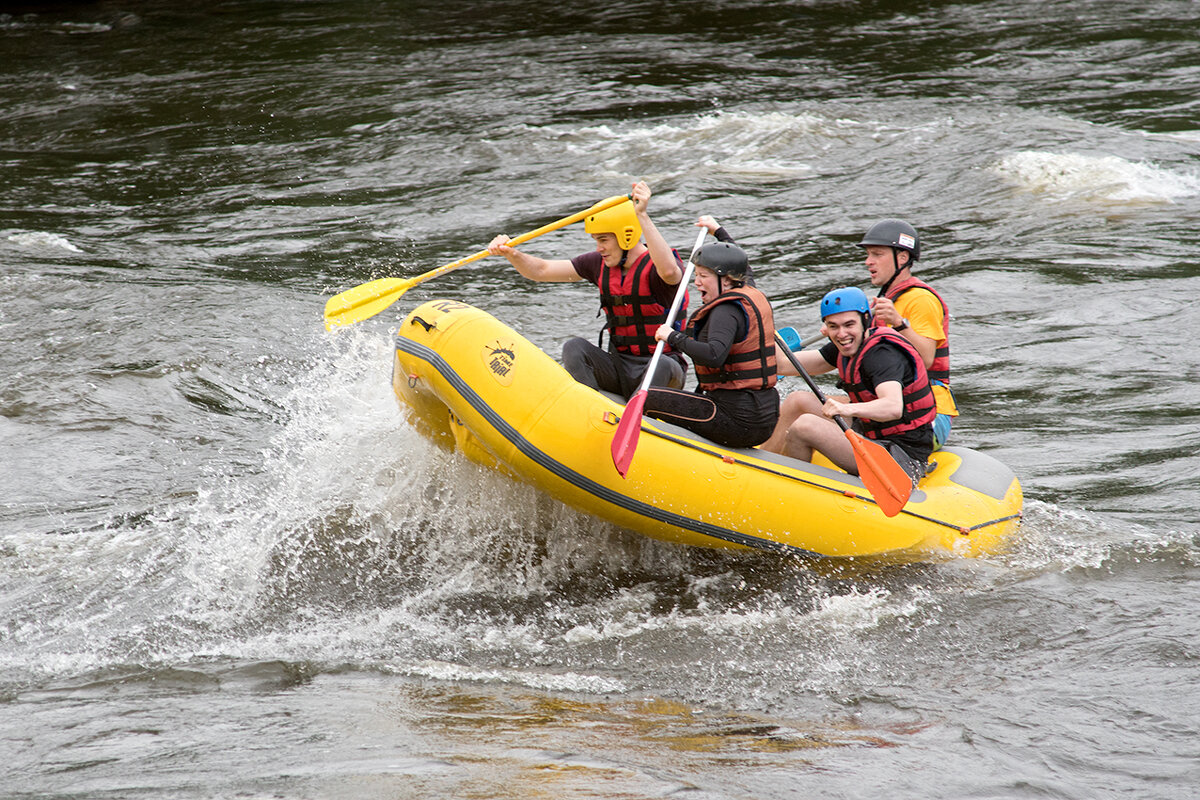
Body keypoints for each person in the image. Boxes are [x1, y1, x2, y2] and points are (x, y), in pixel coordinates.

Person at [761, 218, 957, 453]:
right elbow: (821, 362)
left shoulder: (920, 300)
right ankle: (762, 460)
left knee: (805, 417)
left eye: (877, 254)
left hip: (928, 419)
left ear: (902, 258)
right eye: (868, 254)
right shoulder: (877, 307)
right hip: (881, 409)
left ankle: (760, 464)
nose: (868, 261)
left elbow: (925, 359)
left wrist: (899, 323)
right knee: (797, 400)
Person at [486, 181, 687, 399]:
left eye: (603, 240)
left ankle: (640, 416)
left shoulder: (660, 267)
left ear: (626, 235)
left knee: (662, 364)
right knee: (575, 347)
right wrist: (511, 254)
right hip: (619, 366)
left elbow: (669, 272)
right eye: (596, 240)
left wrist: (643, 216)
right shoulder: (598, 263)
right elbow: (541, 271)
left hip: (663, 368)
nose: (599, 248)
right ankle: (590, 409)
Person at [780, 286, 936, 474]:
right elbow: (783, 365)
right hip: (869, 434)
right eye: (833, 326)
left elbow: (893, 407)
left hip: (901, 457)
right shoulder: (844, 347)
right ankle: (759, 461)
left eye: (849, 325)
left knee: (804, 426)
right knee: (798, 400)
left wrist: (846, 408)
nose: (841, 334)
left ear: (865, 321)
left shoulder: (882, 355)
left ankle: (789, 485)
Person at [642, 242, 779, 448]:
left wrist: (672, 336)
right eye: (696, 275)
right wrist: (717, 229)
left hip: (736, 420)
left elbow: (714, 355)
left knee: (647, 398)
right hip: (764, 417)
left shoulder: (726, 311)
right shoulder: (747, 289)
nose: (696, 283)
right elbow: (744, 266)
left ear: (727, 280)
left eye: (703, 276)